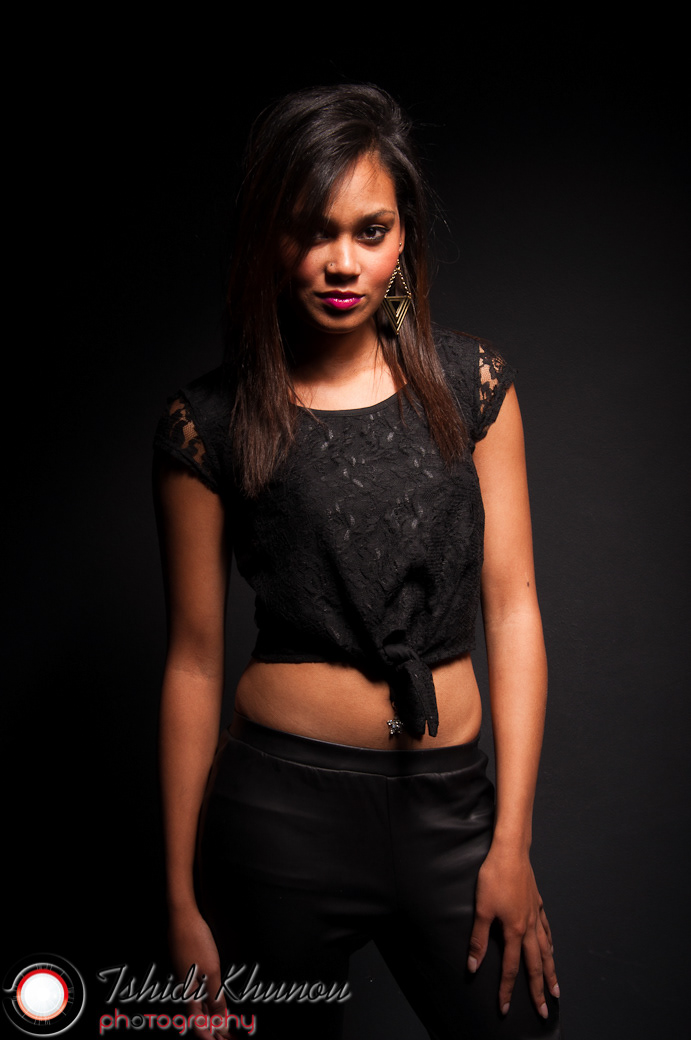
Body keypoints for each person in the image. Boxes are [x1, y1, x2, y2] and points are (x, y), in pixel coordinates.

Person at [153, 83, 561, 1040]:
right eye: (311, 231)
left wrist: (509, 843)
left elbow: (513, 614)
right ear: (269, 239)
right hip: (278, 818)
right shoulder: (207, 423)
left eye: (370, 231)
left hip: (450, 808)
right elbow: (193, 662)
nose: (342, 262)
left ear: (403, 236)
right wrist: (178, 901)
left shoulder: (472, 386)